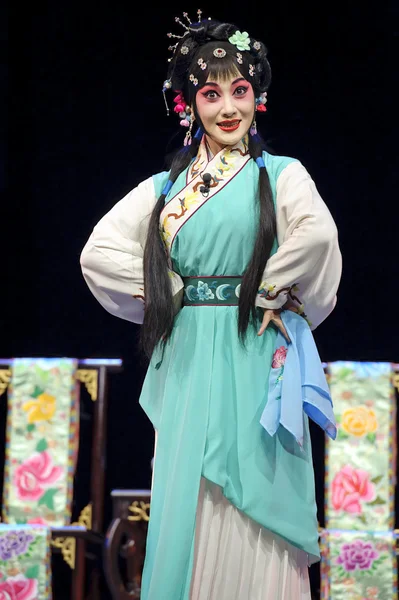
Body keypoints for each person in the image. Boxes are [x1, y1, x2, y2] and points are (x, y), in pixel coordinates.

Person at [80, 12, 342, 600]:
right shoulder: (163, 189)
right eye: (211, 94)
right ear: (188, 106)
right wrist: (166, 290)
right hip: (191, 351)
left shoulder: (281, 175)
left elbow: (318, 237)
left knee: (259, 484)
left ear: (259, 98)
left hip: (256, 345)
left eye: (240, 92)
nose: (228, 107)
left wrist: (270, 289)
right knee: (191, 489)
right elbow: (97, 253)